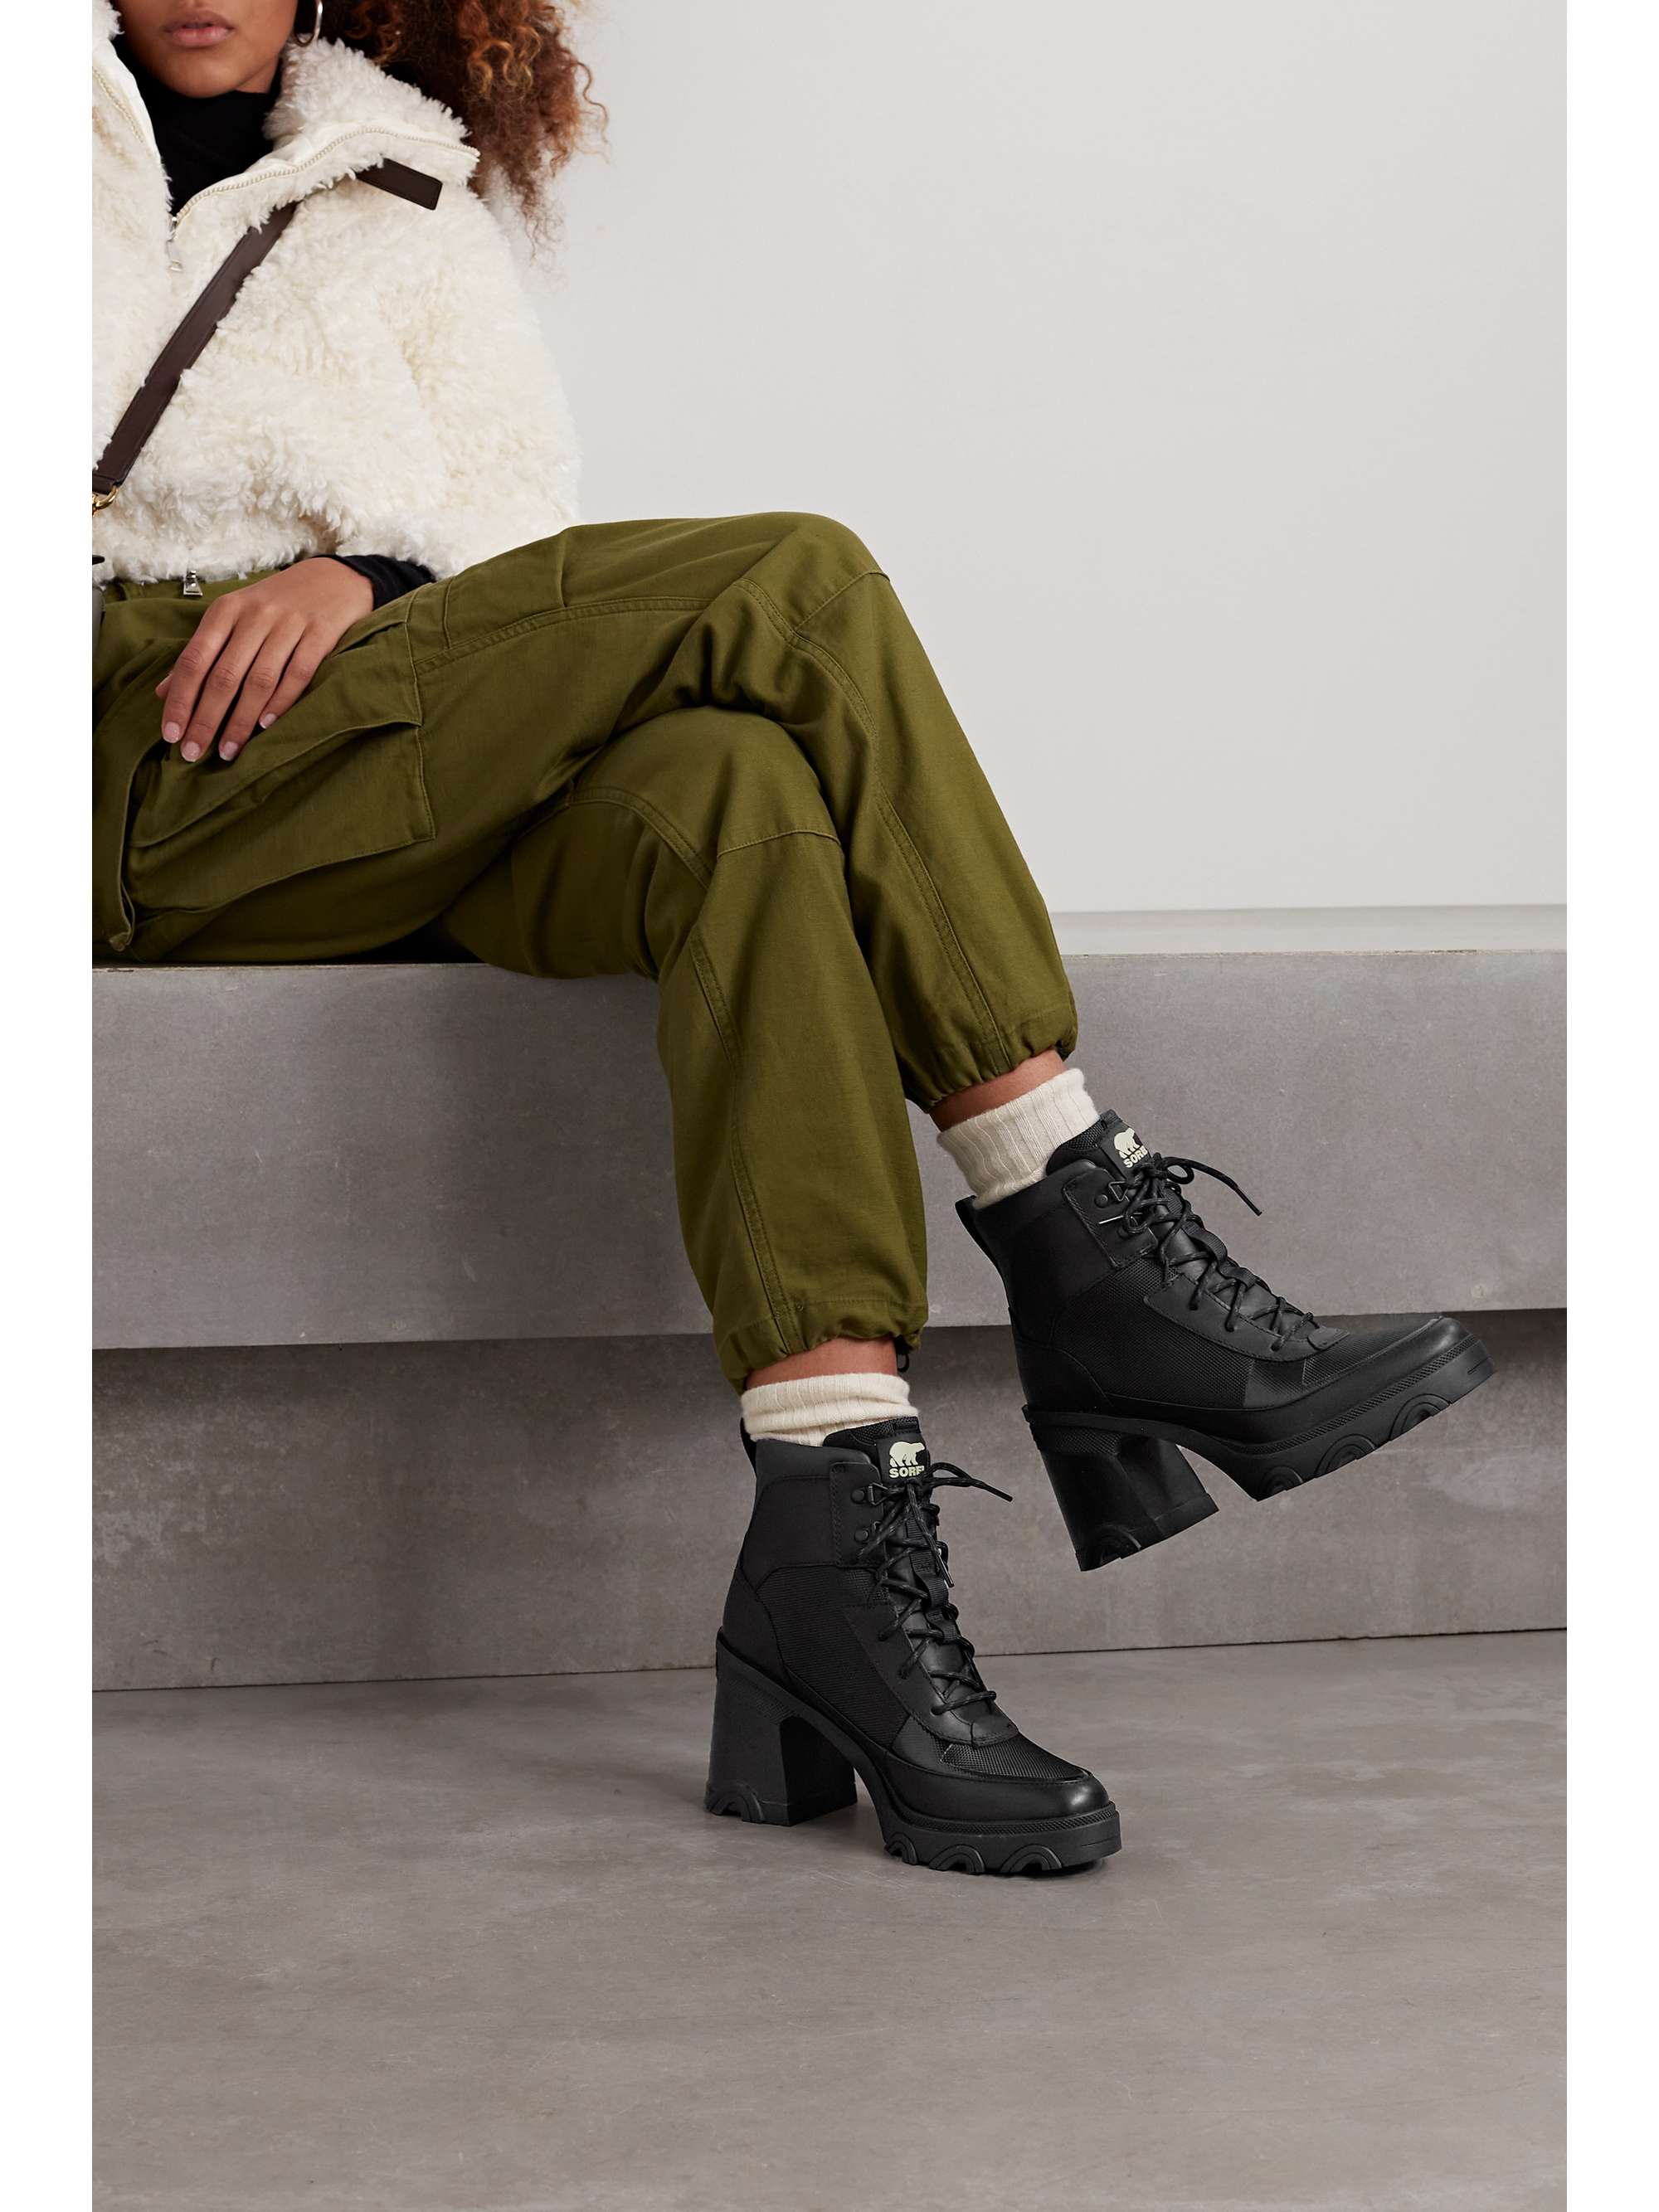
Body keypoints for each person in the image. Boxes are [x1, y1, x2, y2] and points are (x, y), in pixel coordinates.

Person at [92, 0, 1494, 1877]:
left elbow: (510, 514)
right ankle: (1079, 1227)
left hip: (391, 735)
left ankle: (835, 1543)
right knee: (798, 579)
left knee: (738, 793)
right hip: (131, 755)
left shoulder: (407, 187)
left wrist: (371, 570)